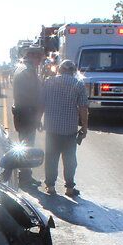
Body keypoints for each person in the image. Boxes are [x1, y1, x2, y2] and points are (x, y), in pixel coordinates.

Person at [38, 59, 89, 197]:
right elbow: (83, 107)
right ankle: (69, 188)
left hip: (52, 128)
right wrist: (84, 126)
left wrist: (38, 120)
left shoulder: (49, 82)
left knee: (51, 158)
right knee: (70, 160)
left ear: (59, 70)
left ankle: (50, 186)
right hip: (70, 130)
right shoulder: (78, 84)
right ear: (73, 71)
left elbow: (41, 103)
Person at [11, 46, 45, 186]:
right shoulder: (27, 72)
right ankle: (24, 176)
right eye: (40, 58)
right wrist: (37, 117)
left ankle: (24, 174)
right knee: (27, 145)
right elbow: (32, 97)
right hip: (27, 113)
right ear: (35, 57)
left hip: (23, 112)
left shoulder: (22, 69)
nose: (40, 61)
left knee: (25, 143)